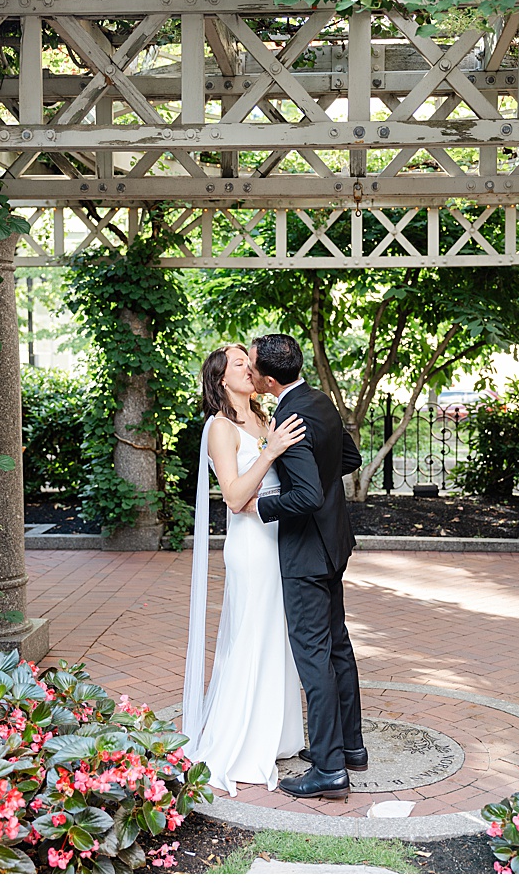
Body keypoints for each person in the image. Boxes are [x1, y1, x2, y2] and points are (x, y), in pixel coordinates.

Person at [244, 333, 366, 800]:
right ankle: (351, 746)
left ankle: (330, 768)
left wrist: (264, 507)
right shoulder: (319, 400)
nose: (250, 373)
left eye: (253, 367)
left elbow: (308, 495)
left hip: (306, 554)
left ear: (270, 379)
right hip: (335, 542)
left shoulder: (288, 416)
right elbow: (348, 458)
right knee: (338, 646)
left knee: (313, 657)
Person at [181, 344, 308, 796]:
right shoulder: (220, 428)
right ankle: (238, 741)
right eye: (240, 363)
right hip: (251, 544)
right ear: (221, 380)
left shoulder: (263, 418)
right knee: (251, 636)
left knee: (278, 635)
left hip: (279, 540)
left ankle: (276, 734)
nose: (250, 368)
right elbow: (234, 498)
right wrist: (270, 452)